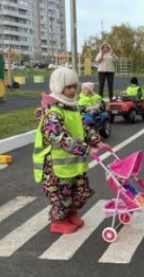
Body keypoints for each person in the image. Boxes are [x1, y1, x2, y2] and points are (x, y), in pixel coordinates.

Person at [33, 67, 102, 234]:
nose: (72, 90)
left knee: (80, 190)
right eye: (68, 87)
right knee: (62, 194)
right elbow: (60, 137)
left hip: (74, 163)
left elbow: (83, 127)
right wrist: (86, 149)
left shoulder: (73, 108)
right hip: (57, 166)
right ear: (58, 87)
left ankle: (72, 213)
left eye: (74, 87)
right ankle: (58, 221)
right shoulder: (53, 113)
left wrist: (95, 140)